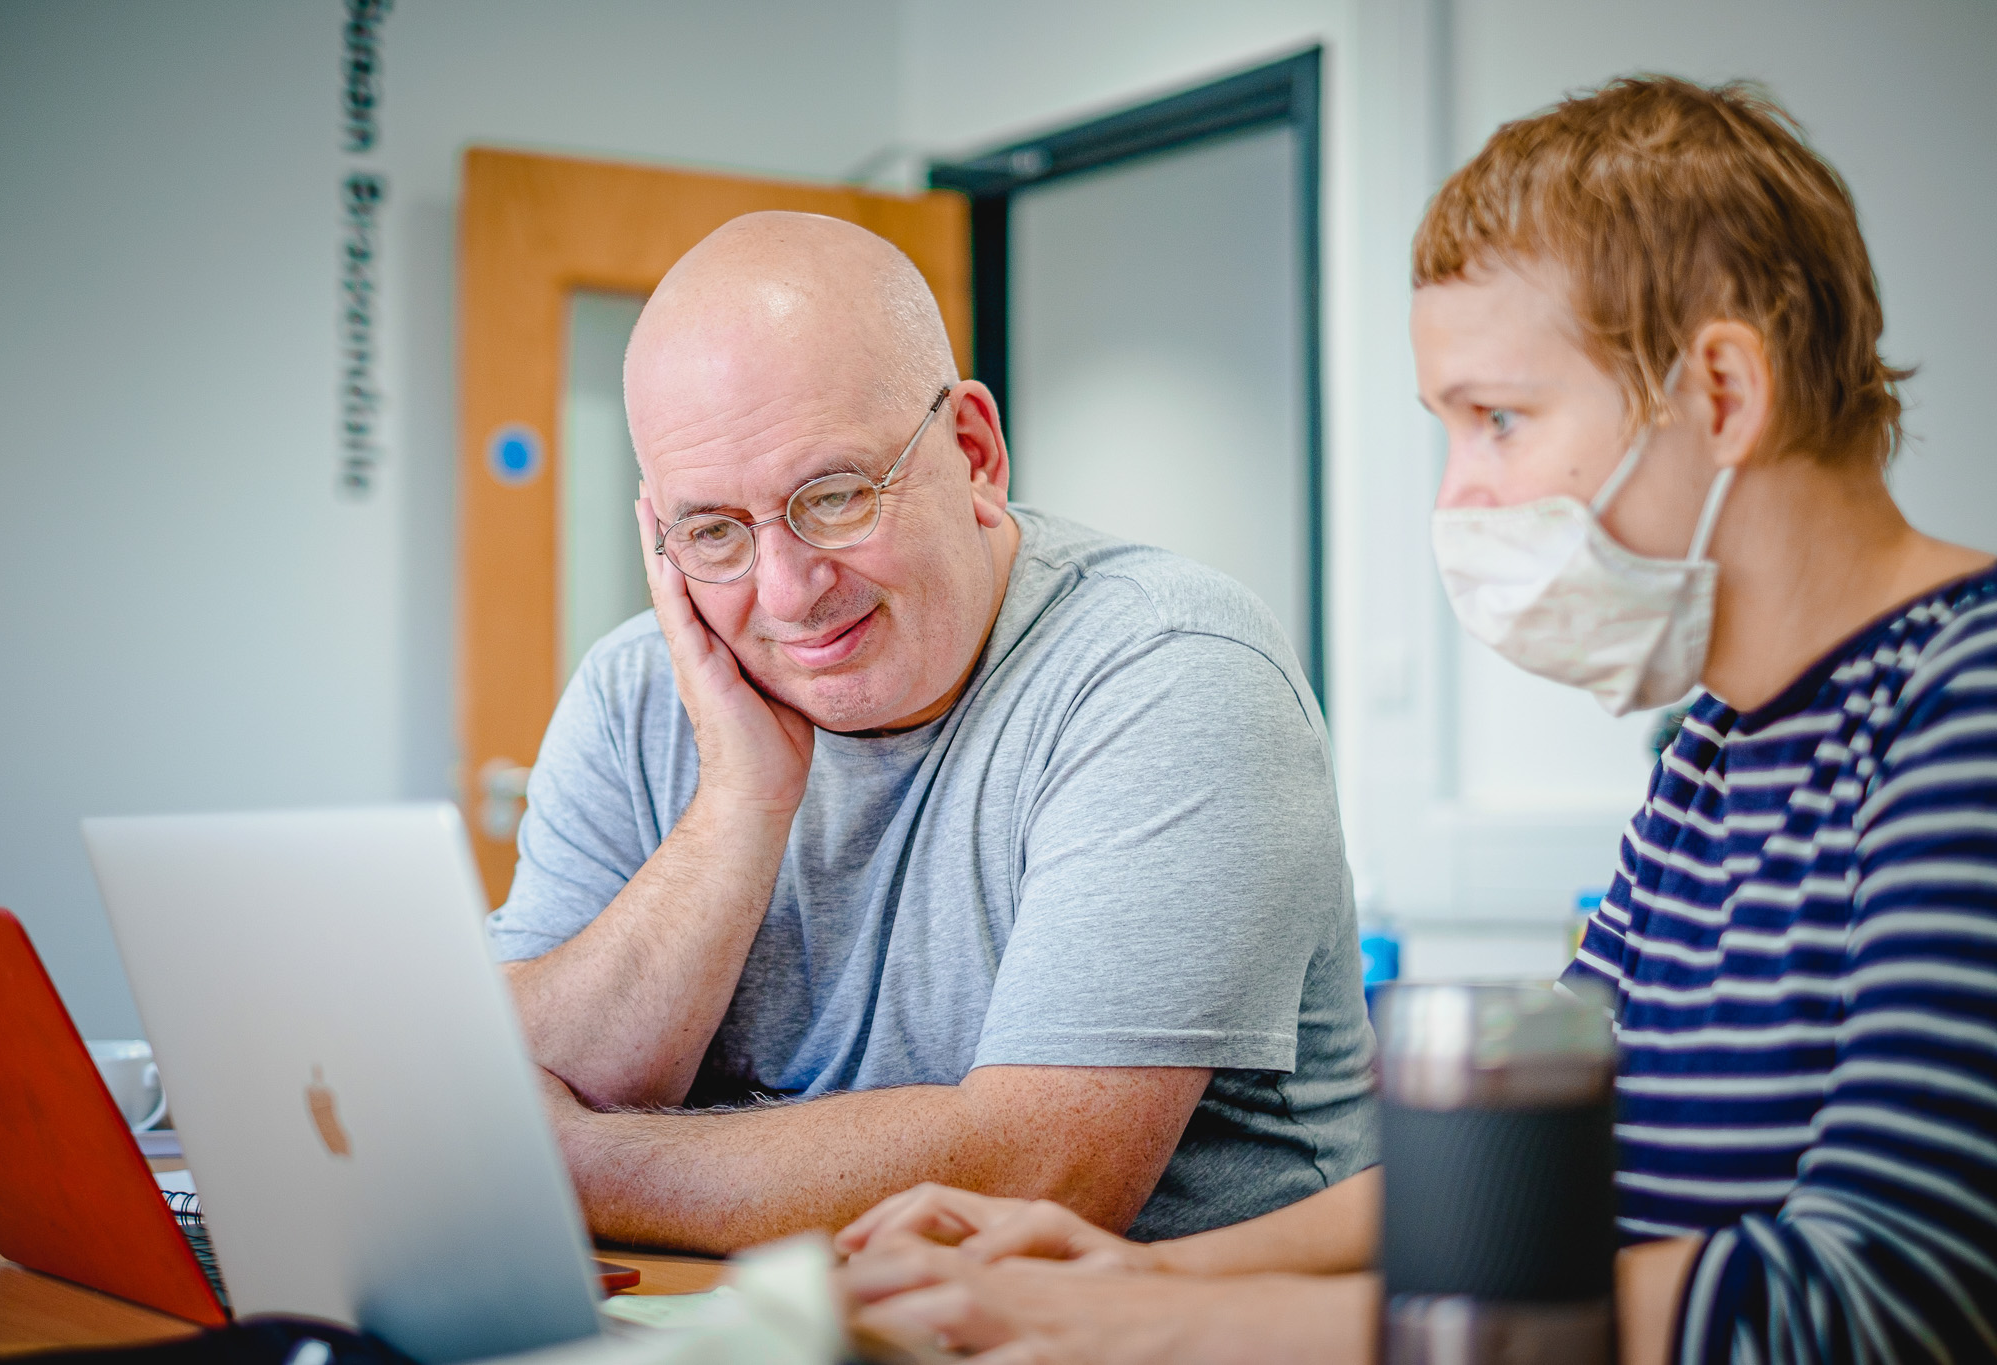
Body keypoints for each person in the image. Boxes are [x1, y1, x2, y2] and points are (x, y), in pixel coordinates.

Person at [842, 76, 1997, 1365]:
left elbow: (1890, 1299)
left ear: (1721, 393)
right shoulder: (1711, 748)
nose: (1462, 495)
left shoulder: (1964, 709)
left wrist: (1169, 1321)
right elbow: (1545, 1157)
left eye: (1497, 419)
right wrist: (1136, 1266)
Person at [487, 211, 1376, 1253]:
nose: (785, 592)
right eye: (714, 531)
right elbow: (511, 1071)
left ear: (972, 453)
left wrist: (571, 1164)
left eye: (833, 497)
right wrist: (738, 804)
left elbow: (1039, 1178)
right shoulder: (636, 689)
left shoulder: (1167, 666)